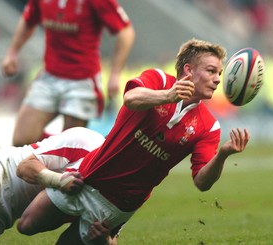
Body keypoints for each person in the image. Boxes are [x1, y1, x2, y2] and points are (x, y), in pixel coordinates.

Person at [16, 38, 251, 245]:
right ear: (189, 70)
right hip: (87, 177)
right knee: (26, 226)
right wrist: (168, 95)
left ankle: (101, 239)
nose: (218, 79)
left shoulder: (209, 126)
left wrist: (223, 154)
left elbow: (202, 182)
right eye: (211, 71)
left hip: (117, 206)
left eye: (219, 73)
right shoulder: (158, 79)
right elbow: (130, 98)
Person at [2, 0, 135, 147]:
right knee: (21, 140)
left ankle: (58, 170)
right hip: (49, 76)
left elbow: (125, 32)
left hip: (82, 81)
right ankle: (46, 159)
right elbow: (28, 21)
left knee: (68, 147)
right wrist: (12, 52)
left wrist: (116, 73)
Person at [0, 127, 108, 244]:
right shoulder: (87, 140)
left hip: (7, 212)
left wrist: (104, 239)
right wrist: (60, 180)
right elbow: (24, 168)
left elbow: (113, 235)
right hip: (0, 168)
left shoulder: (118, 185)